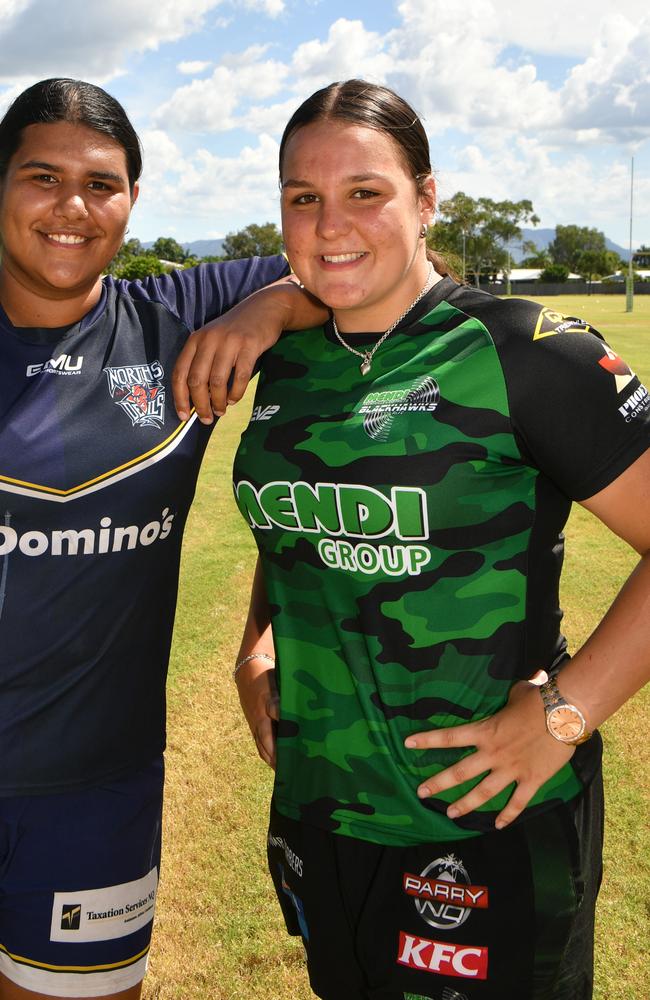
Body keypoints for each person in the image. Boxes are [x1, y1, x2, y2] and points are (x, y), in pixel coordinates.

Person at [227, 80, 650, 1000]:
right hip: (323, 812)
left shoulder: (527, 352)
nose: (331, 222)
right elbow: (299, 515)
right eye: (304, 197)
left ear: (425, 199)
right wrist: (256, 641)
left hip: (482, 827)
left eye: (364, 192)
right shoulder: (289, 363)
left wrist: (564, 714)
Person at [0, 77, 326, 1000]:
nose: (72, 207)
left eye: (101, 184)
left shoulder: (181, 320)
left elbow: (339, 270)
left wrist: (264, 312)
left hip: (93, 797)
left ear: (134, 200)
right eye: (40, 177)